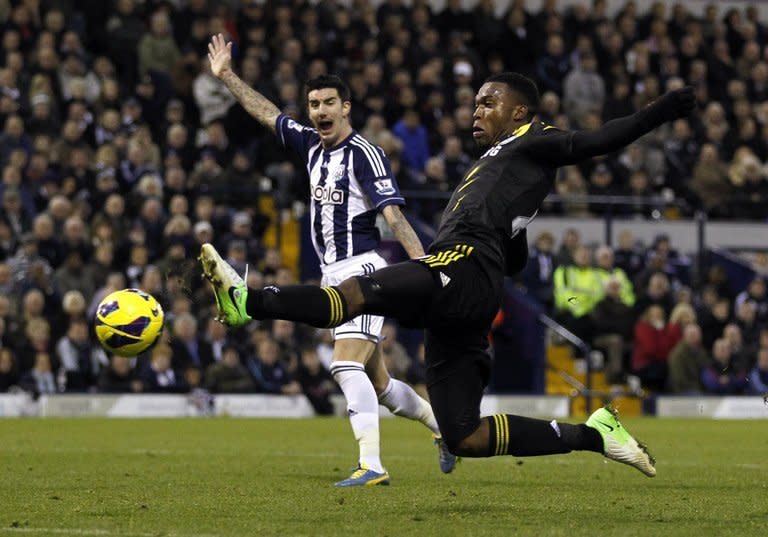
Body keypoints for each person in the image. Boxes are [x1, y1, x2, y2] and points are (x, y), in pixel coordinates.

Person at [202, 69, 696, 479]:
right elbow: (517, 258)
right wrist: (513, 233)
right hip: (469, 291)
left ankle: (249, 302)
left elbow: (596, 140)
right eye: (475, 104)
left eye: (488, 103)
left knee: (353, 295)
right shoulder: (499, 162)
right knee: (466, 435)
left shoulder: (535, 138)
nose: (476, 111)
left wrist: (662, 109)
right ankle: (594, 436)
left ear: (519, 112)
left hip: (459, 265)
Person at [204, 34, 453, 486]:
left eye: (328, 103)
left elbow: (393, 215)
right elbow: (266, 112)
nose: (319, 111)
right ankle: (444, 430)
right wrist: (226, 76)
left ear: (346, 107)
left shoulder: (365, 154)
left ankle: (373, 465)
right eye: (313, 103)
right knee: (381, 387)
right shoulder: (311, 147)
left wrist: (426, 269)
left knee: (343, 365)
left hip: (363, 274)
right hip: (331, 275)